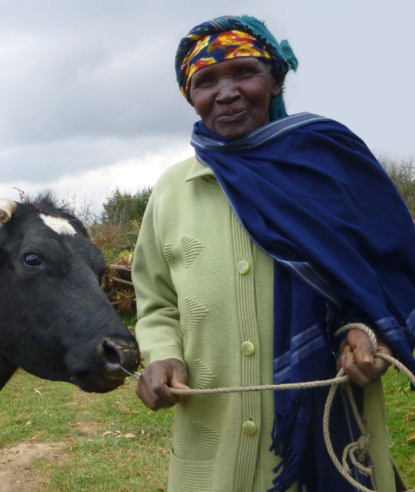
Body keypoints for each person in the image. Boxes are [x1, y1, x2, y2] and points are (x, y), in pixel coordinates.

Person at [132, 15, 415, 492]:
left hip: (331, 437)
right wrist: (162, 354)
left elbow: (383, 277)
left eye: (244, 72)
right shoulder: (170, 192)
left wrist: (366, 333)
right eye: (205, 82)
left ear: (275, 80)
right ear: (190, 96)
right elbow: (156, 301)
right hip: (210, 446)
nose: (225, 93)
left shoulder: (328, 170)